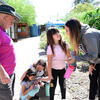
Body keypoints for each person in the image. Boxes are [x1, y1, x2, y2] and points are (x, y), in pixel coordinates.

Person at [65, 18, 100, 100]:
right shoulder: (80, 36)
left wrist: (75, 58)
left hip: (97, 60)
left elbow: (93, 55)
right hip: (96, 62)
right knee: (93, 81)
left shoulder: (88, 35)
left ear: (73, 29)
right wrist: (91, 64)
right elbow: (90, 53)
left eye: (67, 30)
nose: (66, 33)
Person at [0, 4, 21, 100]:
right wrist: (2, 73)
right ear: (4, 17)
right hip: (2, 78)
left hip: (9, 74)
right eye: (11, 21)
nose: (12, 24)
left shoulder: (3, 31)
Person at [47, 28, 70, 100]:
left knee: (63, 86)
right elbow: (49, 62)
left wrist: (70, 67)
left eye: (58, 32)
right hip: (53, 70)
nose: (58, 34)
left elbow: (68, 58)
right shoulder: (50, 47)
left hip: (63, 70)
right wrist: (50, 75)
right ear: (51, 36)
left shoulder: (65, 45)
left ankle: (63, 98)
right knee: (52, 86)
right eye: (55, 33)